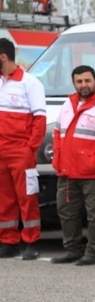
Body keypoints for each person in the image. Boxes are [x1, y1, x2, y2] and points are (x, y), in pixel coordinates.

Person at [50, 65, 95, 266]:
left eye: (87, 80)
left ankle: (93, 252)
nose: (84, 85)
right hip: (67, 171)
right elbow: (58, 133)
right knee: (66, 211)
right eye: (79, 81)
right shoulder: (68, 104)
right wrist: (57, 159)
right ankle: (73, 250)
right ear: (74, 83)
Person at [0, 38, 46, 261]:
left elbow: (39, 120)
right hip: (1, 152)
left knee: (26, 197)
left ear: (2, 56)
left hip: (21, 152)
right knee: (4, 199)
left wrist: (30, 148)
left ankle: (31, 240)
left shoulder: (30, 83)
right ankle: (8, 241)